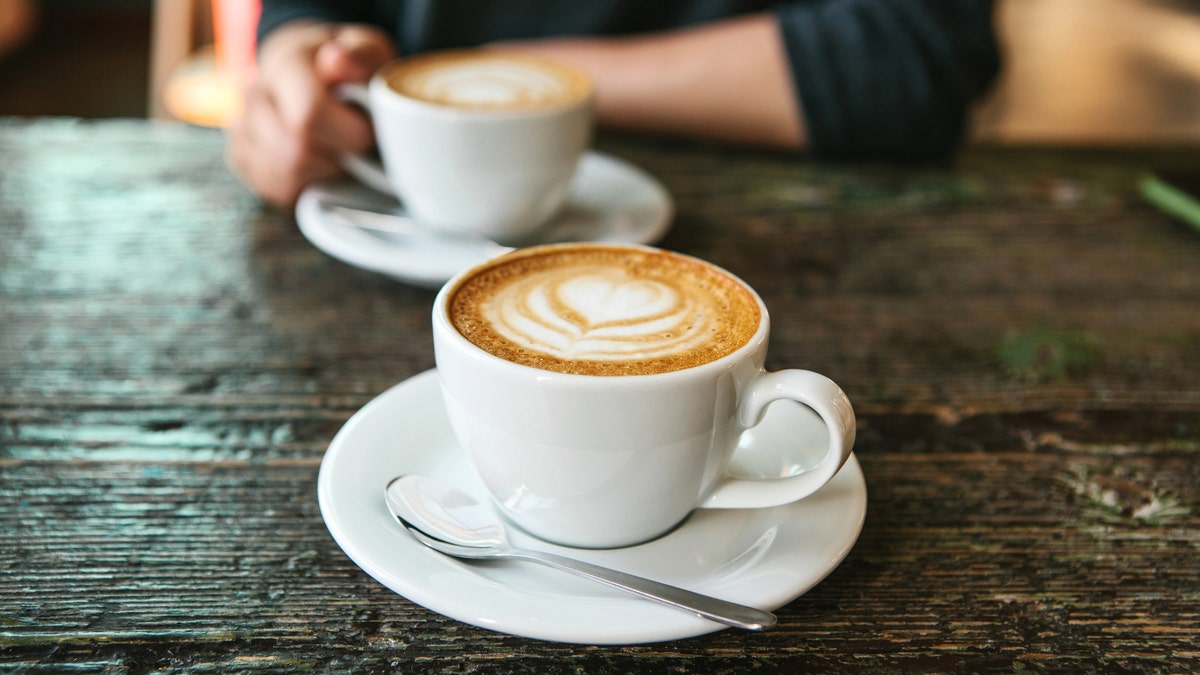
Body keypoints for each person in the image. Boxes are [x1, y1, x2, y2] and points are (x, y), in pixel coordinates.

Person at [227, 1, 1001, 209]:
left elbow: (914, 56)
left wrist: (521, 82)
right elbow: (313, 10)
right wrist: (297, 57)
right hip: (378, 259)